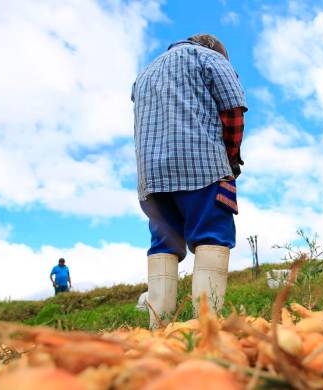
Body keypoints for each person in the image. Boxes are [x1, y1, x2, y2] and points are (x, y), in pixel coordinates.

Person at [131, 33, 247, 327]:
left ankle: (159, 328)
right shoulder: (210, 59)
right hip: (201, 165)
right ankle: (207, 326)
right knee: (211, 236)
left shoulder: (144, 75)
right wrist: (231, 158)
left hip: (152, 176)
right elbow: (232, 111)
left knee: (163, 245)